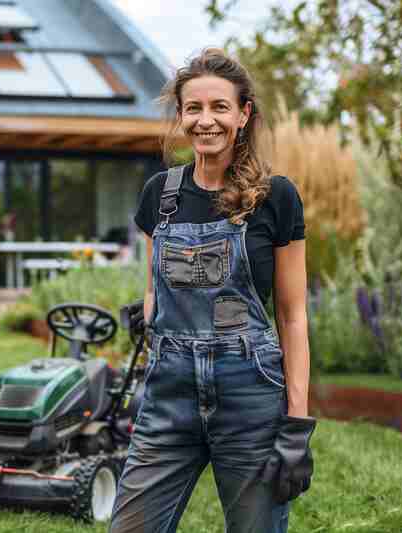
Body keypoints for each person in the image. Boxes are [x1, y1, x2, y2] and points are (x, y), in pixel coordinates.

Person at [109, 48, 316, 533]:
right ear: (181, 116)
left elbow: (292, 317)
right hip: (170, 391)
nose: (207, 120)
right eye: (194, 108)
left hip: (249, 391)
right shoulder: (159, 196)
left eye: (220, 107)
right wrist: (148, 316)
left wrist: (297, 425)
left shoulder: (276, 197)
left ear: (244, 114)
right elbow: (153, 292)